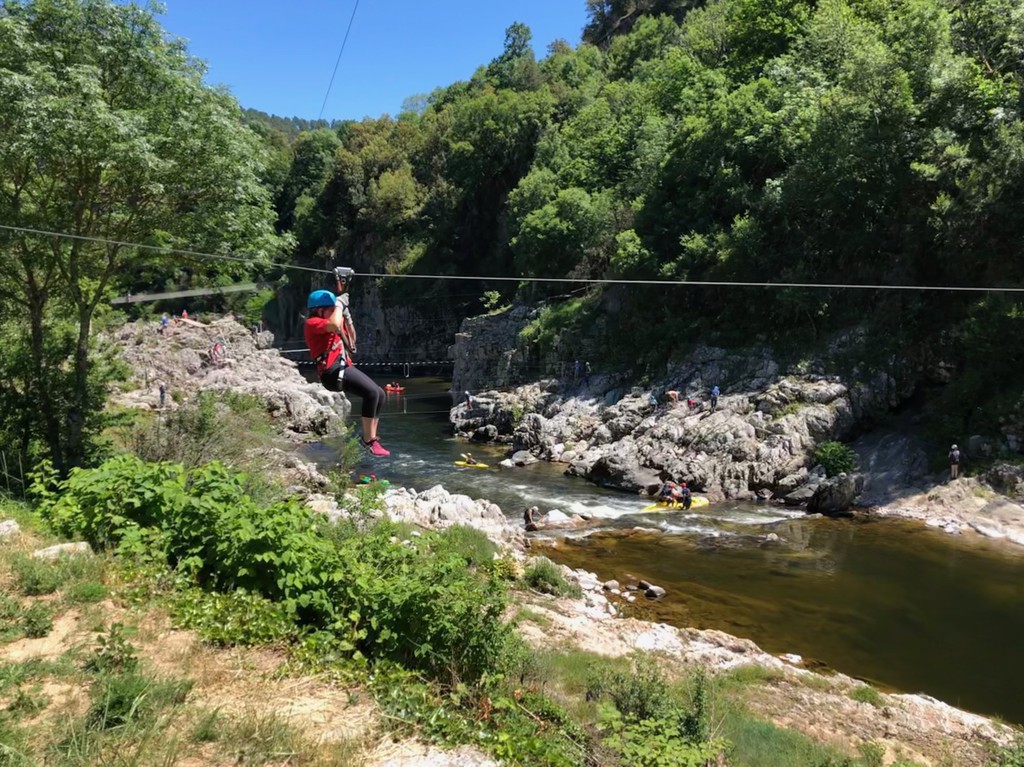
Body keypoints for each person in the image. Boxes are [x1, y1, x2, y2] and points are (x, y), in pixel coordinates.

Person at [304, 269, 389, 457]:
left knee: (380, 394)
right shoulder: (313, 323)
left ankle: (371, 438)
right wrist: (339, 304)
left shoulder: (332, 321)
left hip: (341, 367)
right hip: (331, 371)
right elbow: (334, 324)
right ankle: (368, 441)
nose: (334, 312)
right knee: (371, 392)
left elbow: (352, 340)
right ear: (319, 310)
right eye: (331, 309)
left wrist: (347, 316)